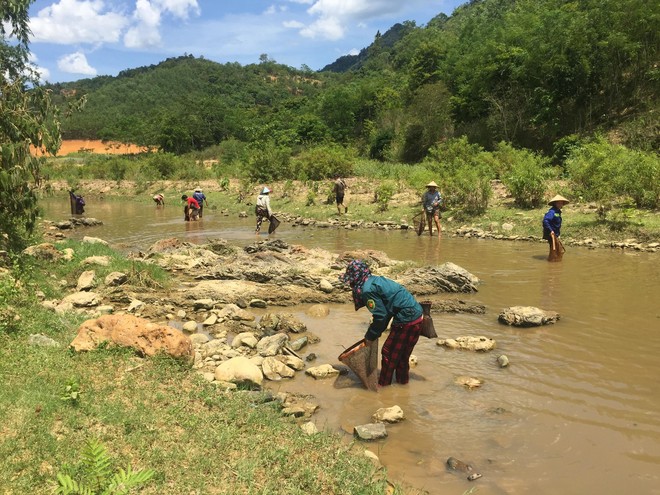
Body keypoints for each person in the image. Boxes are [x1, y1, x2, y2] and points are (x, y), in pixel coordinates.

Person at [340, 259, 423, 387]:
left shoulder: (367, 290)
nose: (350, 283)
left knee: (388, 352)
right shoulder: (374, 280)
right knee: (401, 356)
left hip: (407, 319)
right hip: (417, 315)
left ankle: (383, 385)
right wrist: (376, 330)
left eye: (351, 280)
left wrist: (370, 336)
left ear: (355, 278)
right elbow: (387, 310)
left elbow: (381, 316)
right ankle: (402, 384)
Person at [543, 194, 570, 261]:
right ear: (555, 203)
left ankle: (555, 260)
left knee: (557, 249)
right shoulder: (552, 212)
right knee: (554, 249)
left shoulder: (558, 212)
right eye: (559, 203)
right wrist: (551, 230)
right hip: (551, 234)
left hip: (555, 233)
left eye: (561, 203)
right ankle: (553, 262)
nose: (561, 204)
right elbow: (545, 221)